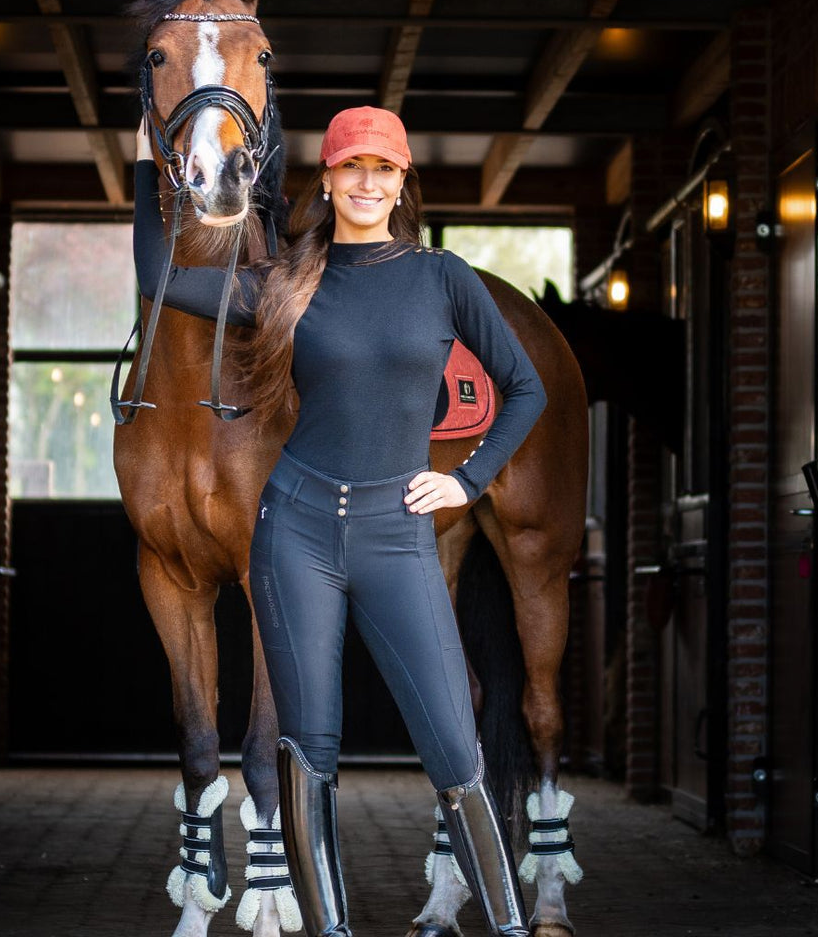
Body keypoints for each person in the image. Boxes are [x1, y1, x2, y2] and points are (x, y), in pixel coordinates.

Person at [134, 105, 547, 937]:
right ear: (327, 179)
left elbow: (524, 388)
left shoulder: (442, 277)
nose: (367, 182)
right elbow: (160, 280)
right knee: (309, 748)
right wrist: (150, 168)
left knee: (453, 747)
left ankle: (507, 926)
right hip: (297, 530)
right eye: (351, 167)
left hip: (397, 533)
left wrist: (468, 482)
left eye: (383, 169)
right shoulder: (286, 283)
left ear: (401, 183)